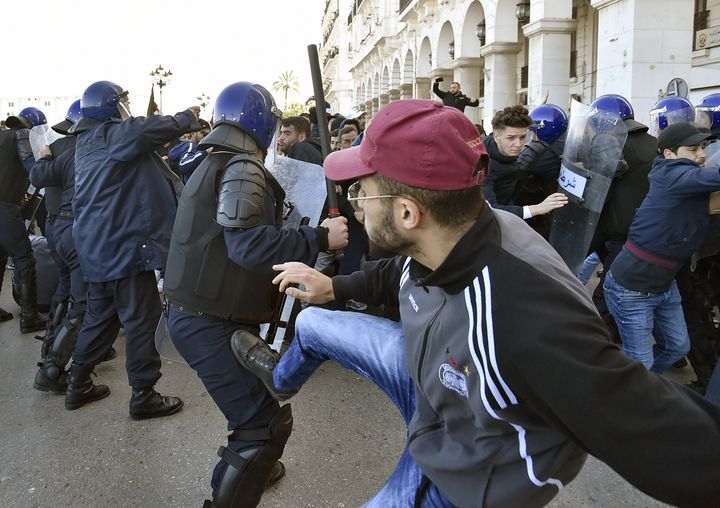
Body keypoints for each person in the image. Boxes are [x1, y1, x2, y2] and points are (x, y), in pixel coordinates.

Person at [234, 99, 720, 508]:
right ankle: (280, 381)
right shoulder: (446, 234)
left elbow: (674, 440)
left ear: (407, 212)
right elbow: (397, 274)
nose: (356, 200)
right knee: (316, 321)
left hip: (466, 465)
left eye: (364, 190)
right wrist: (333, 288)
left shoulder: (521, 320)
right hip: (434, 381)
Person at [162, 81, 348, 508]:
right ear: (263, 121)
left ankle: (252, 469)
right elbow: (246, 246)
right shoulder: (242, 166)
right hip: (209, 322)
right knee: (262, 427)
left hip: (204, 314)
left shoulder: (216, 160)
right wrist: (319, 237)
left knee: (256, 418)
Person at [65, 80, 195, 418]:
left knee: (101, 319)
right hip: (122, 248)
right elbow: (143, 129)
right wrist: (186, 118)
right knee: (141, 320)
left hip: (98, 248)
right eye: (121, 103)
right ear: (110, 106)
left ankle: (76, 384)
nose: (126, 109)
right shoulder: (111, 135)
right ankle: (144, 395)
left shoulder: (87, 142)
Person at [603, 122, 720, 372]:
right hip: (631, 288)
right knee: (640, 361)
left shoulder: (687, 185)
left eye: (703, 147)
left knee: (677, 348)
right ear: (669, 154)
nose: (701, 154)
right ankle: (632, 395)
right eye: (692, 149)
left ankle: (638, 386)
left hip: (665, 285)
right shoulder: (670, 173)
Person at [0, 107, 46, 332]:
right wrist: (46, 164)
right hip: (4, 207)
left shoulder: (2, 137)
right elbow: (32, 167)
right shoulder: (21, 135)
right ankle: (30, 316)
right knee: (24, 257)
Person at [483, 105, 567, 220]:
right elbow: (490, 210)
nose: (518, 144)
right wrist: (538, 208)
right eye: (511, 138)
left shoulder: (508, 151)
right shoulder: (481, 164)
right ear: (496, 136)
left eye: (522, 137)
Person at [168, 118, 211, 182]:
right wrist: (206, 152)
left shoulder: (185, 146)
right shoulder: (190, 145)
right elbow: (184, 165)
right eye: (203, 133)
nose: (205, 136)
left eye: (209, 134)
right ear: (193, 133)